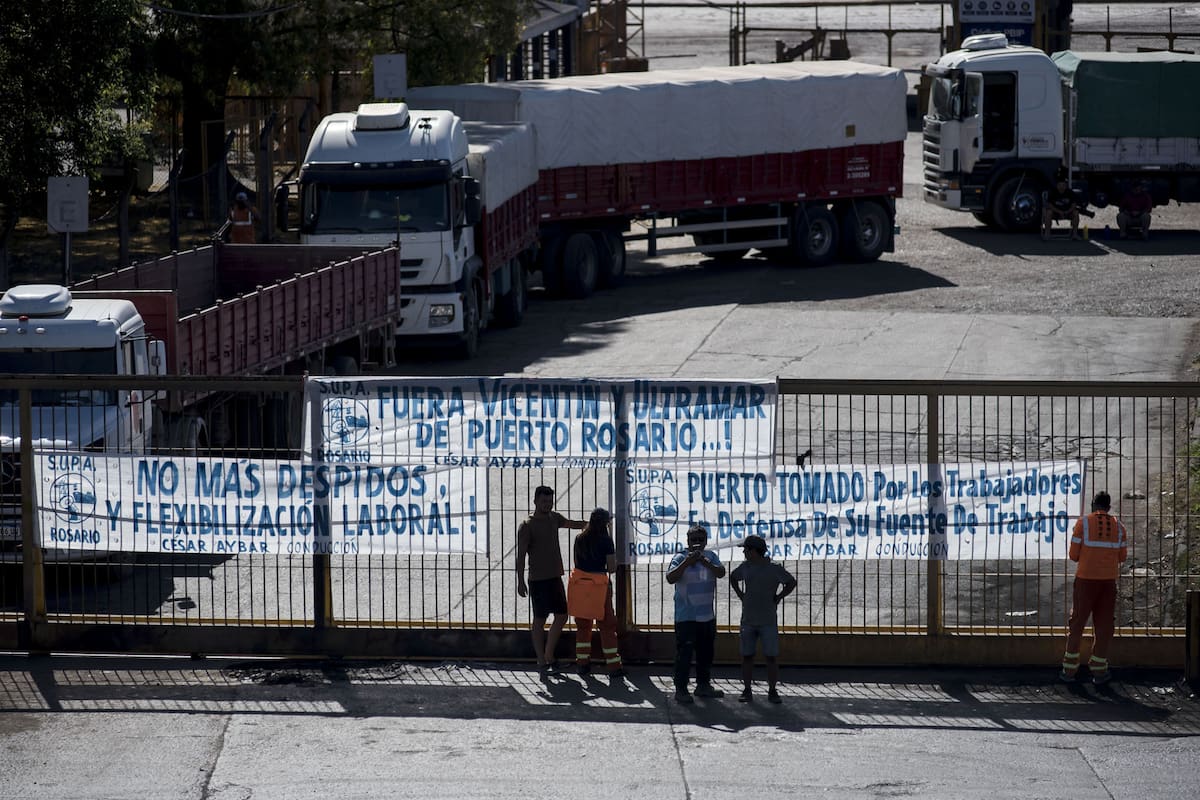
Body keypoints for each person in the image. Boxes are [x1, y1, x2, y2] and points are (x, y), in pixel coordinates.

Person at [516, 486, 587, 675]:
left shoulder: (554, 518)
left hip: (555, 576)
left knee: (562, 615)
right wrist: (520, 580)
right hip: (538, 580)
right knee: (539, 620)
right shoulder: (527, 525)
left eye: (549, 501)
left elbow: (573, 524)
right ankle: (541, 661)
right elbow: (521, 555)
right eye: (543, 501)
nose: (547, 504)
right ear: (535, 501)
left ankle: (549, 655)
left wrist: (593, 523)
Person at [1060, 491, 1128, 685]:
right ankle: (1099, 671)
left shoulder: (1083, 523)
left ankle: (1069, 670)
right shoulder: (1119, 527)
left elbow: (1073, 555)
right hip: (1108, 582)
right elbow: (1122, 557)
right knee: (1104, 626)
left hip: (1085, 581)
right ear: (1108, 507)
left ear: (1093, 505)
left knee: (1077, 623)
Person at [729, 534, 797, 704]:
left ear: (753, 551)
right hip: (749, 619)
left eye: (746, 549)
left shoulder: (773, 569)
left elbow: (791, 582)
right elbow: (733, 577)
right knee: (747, 656)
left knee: (771, 657)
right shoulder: (746, 567)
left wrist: (779, 596)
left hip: (766, 620)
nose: (744, 552)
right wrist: (741, 594)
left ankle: (772, 690)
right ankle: (747, 689)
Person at [666, 524, 727, 704]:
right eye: (694, 540)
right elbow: (670, 578)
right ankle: (681, 689)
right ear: (688, 541)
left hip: (706, 616)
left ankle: (703, 686)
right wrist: (687, 563)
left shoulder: (711, 556)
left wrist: (705, 562)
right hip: (686, 617)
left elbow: (721, 572)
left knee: (705, 654)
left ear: (706, 541)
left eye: (701, 540)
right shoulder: (680, 557)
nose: (697, 544)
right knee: (684, 654)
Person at [570, 507, 627, 678]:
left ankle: (582, 663)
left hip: (580, 585)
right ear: (606, 523)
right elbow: (611, 568)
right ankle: (613, 666)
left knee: (583, 625)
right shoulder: (606, 541)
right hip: (599, 586)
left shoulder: (579, 538)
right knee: (607, 625)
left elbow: (577, 562)